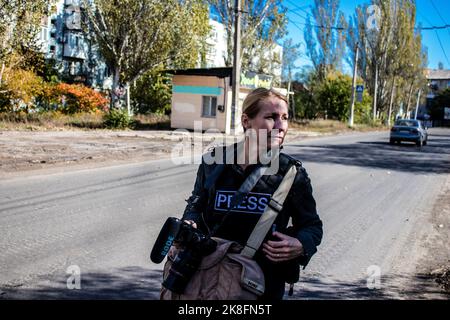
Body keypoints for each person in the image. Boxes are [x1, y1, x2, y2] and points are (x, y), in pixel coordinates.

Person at [181, 87, 323, 300]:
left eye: (285, 118)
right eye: (271, 117)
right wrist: (189, 224)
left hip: (261, 287)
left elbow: (312, 226)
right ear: (246, 121)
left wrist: (301, 244)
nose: (281, 126)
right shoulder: (214, 163)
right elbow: (195, 209)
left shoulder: (292, 174)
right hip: (208, 281)